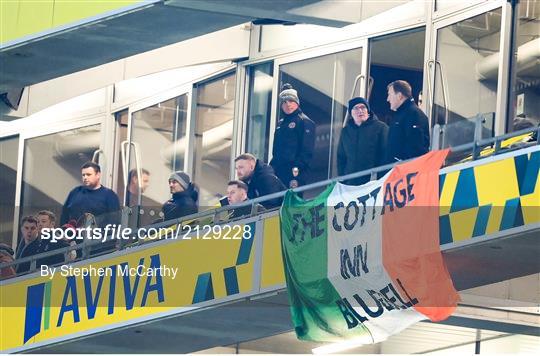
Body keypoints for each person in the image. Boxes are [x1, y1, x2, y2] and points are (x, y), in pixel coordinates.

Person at [270, 83, 316, 188]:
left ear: (297, 103)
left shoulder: (304, 121)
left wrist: (297, 167)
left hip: (295, 171)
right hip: (279, 171)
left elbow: (307, 150)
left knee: (293, 202)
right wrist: (272, 167)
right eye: (284, 102)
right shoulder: (280, 123)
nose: (288, 104)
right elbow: (276, 149)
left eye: (291, 101)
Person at [337, 97, 388, 185]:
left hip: (372, 183)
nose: (360, 110)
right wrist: (343, 177)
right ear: (351, 113)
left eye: (363, 107)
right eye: (356, 108)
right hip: (350, 182)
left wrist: (380, 178)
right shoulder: (345, 131)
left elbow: (386, 155)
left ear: (368, 110)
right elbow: (341, 157)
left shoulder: (381, 128)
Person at [60, 162, 120, 228]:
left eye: (88, 175)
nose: (85, 177)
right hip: (73, 236)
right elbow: (64, 215)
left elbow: (114, 221)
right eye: (83, 175)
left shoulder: (109, 195)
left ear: (98, 175)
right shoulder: (75, 192)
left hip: (98, 236)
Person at [386, 80, 430, 163]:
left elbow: (415, 148)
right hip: (397, 170)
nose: (388, 99)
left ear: (399, 96)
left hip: (405, 172)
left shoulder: (413, 114)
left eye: (389, 95)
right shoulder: (401, 114)